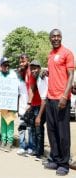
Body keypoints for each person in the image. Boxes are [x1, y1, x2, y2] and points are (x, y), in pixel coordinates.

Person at [44, 29, 74, 176]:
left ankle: (64, 163)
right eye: (53, 36)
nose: (56, 38)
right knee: (52, 131)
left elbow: (70, 76)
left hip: (61, 99)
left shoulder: (67, 53)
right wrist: (46, 73)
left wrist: (64, 96)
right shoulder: (50, 55)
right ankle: (55, 159)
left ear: (61, 37)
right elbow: (56, 72)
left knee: (63, 134)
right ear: (50, 39)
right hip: (50, 98)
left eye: (58, 36)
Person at [29, 60, 48, 161]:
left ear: (40, 68)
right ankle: (37, 149)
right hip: (36, 105)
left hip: (44, 106)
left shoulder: (42, 77)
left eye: (35, 68)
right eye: (31, 68)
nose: (33, 70)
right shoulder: (34, 77)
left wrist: (39, 116)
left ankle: (40, 152)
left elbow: (44, 99)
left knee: (39, 129)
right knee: (35, 129)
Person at [0, 57, 17, 152]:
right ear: (1, 66)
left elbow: (16, 89)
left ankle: (9, 142)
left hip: (11, 104)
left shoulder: (13, 74)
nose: (6, 66)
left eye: (7, 65)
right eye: (4, 65)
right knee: (3, 124)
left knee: (9, 123)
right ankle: (3, 141)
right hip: (2, 104)